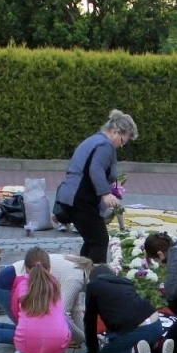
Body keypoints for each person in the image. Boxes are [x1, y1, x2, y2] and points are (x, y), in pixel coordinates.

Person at [56, 109, 137, 264]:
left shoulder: (94, 140)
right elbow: (95, 169)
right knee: (100, 240)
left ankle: (83, 277)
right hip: (80, 199)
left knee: (91, 240)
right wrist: (106, 194)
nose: (121, 145)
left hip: (72, 197)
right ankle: (96, 282)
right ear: (115, 132)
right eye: (123, 140)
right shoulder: (105, 145)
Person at [0, 253, 90, 352]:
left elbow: (75, 310)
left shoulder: (80, 268)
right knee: (33, 336)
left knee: (29, 329)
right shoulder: (76, 280)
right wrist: (85, 340)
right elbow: (64, 315)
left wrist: (89, 336)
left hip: (8, 279)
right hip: (9, 286)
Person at [83, 264, 171, 353]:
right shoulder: (124, 282)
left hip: (139, 330)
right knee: (129, 340)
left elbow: (90, 322)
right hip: (156, 324)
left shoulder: (93, 286)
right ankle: (159, 346)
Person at [8, 247, 75, 353]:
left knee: (24, 326)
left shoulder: (21, 284)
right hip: (57, 344)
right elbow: (61, 311)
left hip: (25, 344)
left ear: (25, 268)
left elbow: (15, 312)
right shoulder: (55, 283)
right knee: (65, 319)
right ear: (49, 267)